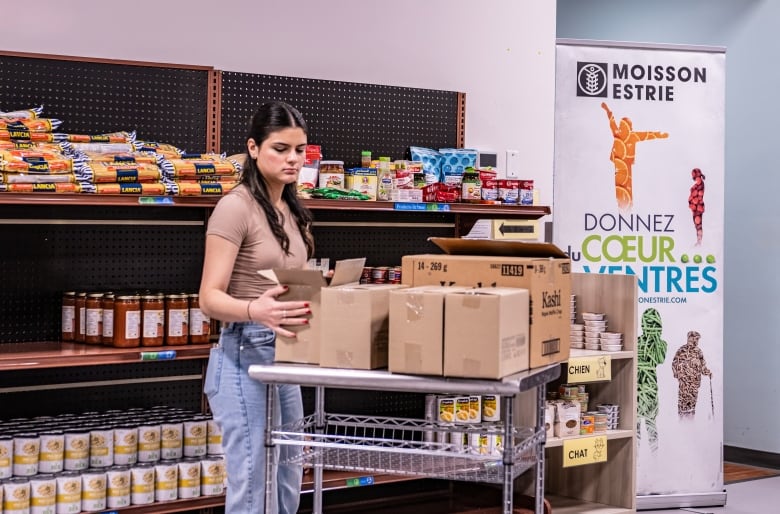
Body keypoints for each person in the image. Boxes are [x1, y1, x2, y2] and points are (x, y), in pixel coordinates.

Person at [200, 100, 314, 513]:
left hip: (287, 355)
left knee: (288, 475)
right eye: (280, 149)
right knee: (252, 482)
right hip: (243, 353)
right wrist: (255, 310)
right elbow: (209, 297)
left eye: (299, 150)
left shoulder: (293, 210)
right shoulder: (236, 207)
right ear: (253, 148)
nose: (293, 159)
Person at [600, 102, 668, 211]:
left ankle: (628, 207)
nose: (621, 127)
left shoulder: (633, 136)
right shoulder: (617, 133)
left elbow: (647, 135)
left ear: (629, 127)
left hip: (627, 164)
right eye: (621, 125)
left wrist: (660, 135)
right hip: (618, 164)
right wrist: (607, 109)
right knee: (619, 185)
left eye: (623, 126)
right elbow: (612, 122)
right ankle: (620, 205)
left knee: (628, 186)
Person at [672, 330, 713, 418]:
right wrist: (679, 376)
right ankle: (681, 425)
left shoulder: (698, 352)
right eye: (694, 339)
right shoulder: (681, 350)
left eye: (697, 339)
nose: (696, 341)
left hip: (694, 385)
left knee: (692, 407)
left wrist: (708, 372)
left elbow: (702, 366)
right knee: (682, 406)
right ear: (689, 339)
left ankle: (690, 426)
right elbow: (674, 364)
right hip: (684, 385)